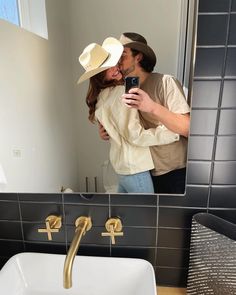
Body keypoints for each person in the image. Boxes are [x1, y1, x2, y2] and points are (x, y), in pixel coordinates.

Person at [77, 37, 180, 194]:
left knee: (125, 215)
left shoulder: (100, 99)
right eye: (107, 68)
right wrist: (170, 133)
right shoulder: (121, 93)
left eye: (113, 62)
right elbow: (135, 136)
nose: (115, 68)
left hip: (122, 169)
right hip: (135, 168)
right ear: (99, 75)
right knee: (146, 216)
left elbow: (117, 132)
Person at [99, 32, 190, 194]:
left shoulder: (165, 82)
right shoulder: (122, 90)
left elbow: (188, 128)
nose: (118, 62)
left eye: (123, 56)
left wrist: (152, 107)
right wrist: (107, 130)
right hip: (144, 171)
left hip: (173, 172)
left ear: (138, 57)